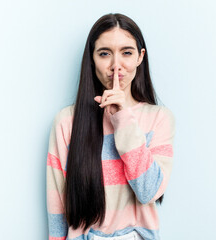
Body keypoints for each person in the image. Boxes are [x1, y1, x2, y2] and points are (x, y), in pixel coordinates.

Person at [46, 13, 176, 240]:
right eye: (105, 54)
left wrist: (123, 117)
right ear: (92, 58)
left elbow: (148, 191)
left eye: (126, 52)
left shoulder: (158, 118)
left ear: (139, 57)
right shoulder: (67, 122)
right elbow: (57, 204)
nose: (116, 66)